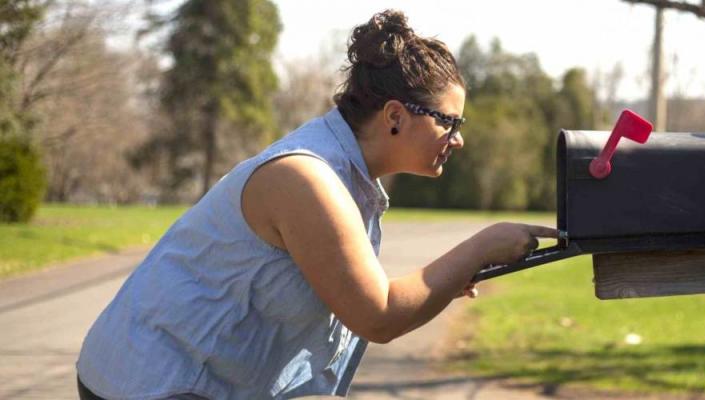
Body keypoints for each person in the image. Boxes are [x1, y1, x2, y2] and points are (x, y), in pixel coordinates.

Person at [76, 9, 556, 400]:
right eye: (449, 122)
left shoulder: (346, 177)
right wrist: (480, 246)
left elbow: (355, 298)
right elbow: (378, 314)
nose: (459, 139)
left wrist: (448, 280)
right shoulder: (308, 178)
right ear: (395, 116)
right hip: (148, 383)